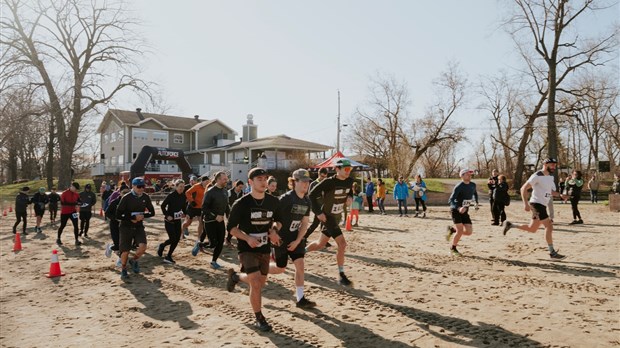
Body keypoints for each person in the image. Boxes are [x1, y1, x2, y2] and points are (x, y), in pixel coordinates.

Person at [225, 167, 282, 332]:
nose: (263, 182)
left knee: (260, 282)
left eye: (265, 179)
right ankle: (259, 318)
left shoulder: (273, 201)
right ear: (250, 182)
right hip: (247, 248)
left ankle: (235, 276)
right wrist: (247, 238)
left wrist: (273, 230)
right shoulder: (241, 203)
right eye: (259, 179)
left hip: (265, 248)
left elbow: (278, 221)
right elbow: (231, 228)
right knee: (256, 283)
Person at [269, 169, 316, 308]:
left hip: (296, 238)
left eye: (307, 182)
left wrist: (298, 240)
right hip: (281, 239)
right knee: (280, 268)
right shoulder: (285, 199)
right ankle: (261, 267)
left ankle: (300, 299)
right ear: (294, 182)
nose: (306, 185)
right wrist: (273, 233)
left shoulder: (307, 201)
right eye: (303, 181)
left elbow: (305, 223)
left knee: (300, 265)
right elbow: (271, 218)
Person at [503, 158, 568, 260]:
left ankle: (511, 225)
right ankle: (552, 253)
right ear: (545, 164)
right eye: (552, 165)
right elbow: (523, 188)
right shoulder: (537, 175)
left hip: (542, 204)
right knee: (549, 226)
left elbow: (550, 191)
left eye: (555, 165)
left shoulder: (550, 177)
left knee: (532, 229)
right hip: (536, 204)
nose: (554, 167)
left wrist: (561, 195)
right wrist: (525, 203)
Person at [306, 158, 354, 286]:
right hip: (327, 217)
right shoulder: (329, 182)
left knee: (320, 244)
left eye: (350, 169)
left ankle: (300, 252)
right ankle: (342, 275)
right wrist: (318, 212)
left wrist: (350, 198)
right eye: (346, 169)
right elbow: (311, 195)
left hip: (336, 216)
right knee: (342, 244)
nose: (349, 171)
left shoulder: (349, 181)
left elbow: (350, 192)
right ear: (337, 169)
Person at [115, 177, 155, 280]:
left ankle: (134, 260)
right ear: (132, 186)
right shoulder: (126, 198)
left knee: (143, 246)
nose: (141, 189)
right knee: (125, 251)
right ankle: (123, 268)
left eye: (143, 187)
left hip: (138, 226)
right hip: (126, 226)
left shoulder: (145, 197)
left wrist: (143, 216)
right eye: (139, 187)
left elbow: (152, 212)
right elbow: (118, 214)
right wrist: (132, 217)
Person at [445, 169, 479, 256]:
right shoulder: (459, 186)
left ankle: (452, 230)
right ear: (462, 176)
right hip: (456, 210)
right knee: (460, 231)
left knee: (469, 232)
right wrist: (459, 207)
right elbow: (451, 199)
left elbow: (475, 194)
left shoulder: (473, 185)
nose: (470, 176)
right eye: (468, 174)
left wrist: (476, 202)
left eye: (470, 174)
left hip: (465, 211)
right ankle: (453, 248)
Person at [201, 171, 230, 269]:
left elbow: (226, 206)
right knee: (213, 244)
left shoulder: (225, 191)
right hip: (210, 221)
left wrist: (229, 217)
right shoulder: (210, 191)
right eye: (224, 179)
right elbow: (204, 208)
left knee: (220, 241)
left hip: (220, 221)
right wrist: (215, 216)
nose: (227, 180)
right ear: (218, 180)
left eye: (227, 179)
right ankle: (200, 244)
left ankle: (213, 261)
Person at [157, 179, 187, 264]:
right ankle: (162, 245)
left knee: (177, 239)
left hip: (177, 220)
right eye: (180, 187)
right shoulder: (171, 195)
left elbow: (184, 207)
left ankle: (168, 256)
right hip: (169, 221)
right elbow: (163, 206)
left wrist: (185, 213)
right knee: (173, 238)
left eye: (183, 187)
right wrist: (167, 215)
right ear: (176, 187)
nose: (182, 188)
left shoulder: (183, 196)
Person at [184, 175, 210, 255]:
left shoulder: (208, 187)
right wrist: (191, 201)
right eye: (206, 182)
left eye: (208, 182)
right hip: (193, 206)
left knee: (201, 222)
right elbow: (187, 193)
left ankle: (199, 238)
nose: (207, 183)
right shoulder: (196, 186)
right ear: (202, 181)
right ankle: (182, 231)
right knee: (188, 222)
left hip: (201, 208)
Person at [104, 186, 130, 259]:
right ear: (120, 193)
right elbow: (107, 213)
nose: (126, 194)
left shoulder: (130, 202)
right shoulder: (114, 202)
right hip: (114, 225)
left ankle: (121, 260)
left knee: (124, 244)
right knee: (117, 245)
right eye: (124, 193)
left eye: (128, 193)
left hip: (125, 225)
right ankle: (110, 247)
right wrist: (116, 218)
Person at [303, 167, 329, 240]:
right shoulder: (313, 184)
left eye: (325, 177)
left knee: (323, 224)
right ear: (318, 174)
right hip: (317, 207)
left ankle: (323, 240)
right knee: (315, 224)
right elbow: (310, 196)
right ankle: (304, 237)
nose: (323, 178)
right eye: (322, 176)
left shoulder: (326, 183)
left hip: (325, 206)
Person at [226, 180, 245, 246]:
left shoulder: (242, 193)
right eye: (239, 187)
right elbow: (226, 202)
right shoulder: (229, 192)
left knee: (240, 226)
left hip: (239, 211)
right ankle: (228, 239)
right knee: (232, 225)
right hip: (230, 211)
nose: (240, 188)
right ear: (236, 186)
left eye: (242, 187)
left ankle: (239, 239)